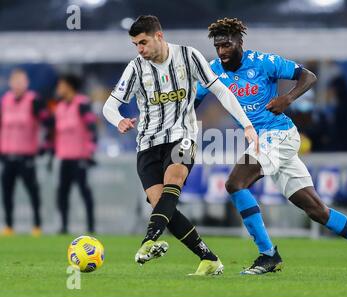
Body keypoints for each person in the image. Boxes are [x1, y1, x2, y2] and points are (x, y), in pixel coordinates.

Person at [195, 18, 347, 275]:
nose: (222, 51)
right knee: (317, 210)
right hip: (264, 141)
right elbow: (194, 101)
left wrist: (286, 98)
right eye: (218, 46)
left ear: (240, 42)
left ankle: (268, 254)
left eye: (227, 44)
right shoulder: (212, 70)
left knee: (235, 183)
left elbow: (308, 76)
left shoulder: (263, 62)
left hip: (277, 134)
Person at [102, 15, 259, 275]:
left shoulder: (189, 56)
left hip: (182, 136)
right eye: (135, 45)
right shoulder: (136, 68)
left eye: (143, 42)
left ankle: (148, 240)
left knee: (172, 183)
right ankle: (209, 258)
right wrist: (118, 121)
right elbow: (110, 106)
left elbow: (220, 90)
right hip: (148, 143)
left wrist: (247, 125)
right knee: (162, 205)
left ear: (159, 36)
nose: (140, 49)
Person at [0, 69, 48, 236]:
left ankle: (36, 225)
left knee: (32, 191)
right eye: (15, 81)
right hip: (7, 156)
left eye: (21, 81)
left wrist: (44, 145)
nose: (18, 85)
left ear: (26, 83)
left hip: (26, 155)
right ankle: (8, 226)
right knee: (6, 192)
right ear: (10, 83)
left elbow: (47, 122)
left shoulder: (33, 100)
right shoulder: (5, 100)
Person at [50, 74, 97, 234]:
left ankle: (91, 227)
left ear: (69, 86)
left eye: (61, 85)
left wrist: (90, 153)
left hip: (80, 158)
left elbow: (92, 129)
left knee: (84, 192)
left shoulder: (82, 104)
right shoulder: (59, 107)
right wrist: (51, 155)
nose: (59, 88)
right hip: (64, 158)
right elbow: (55, 134)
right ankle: (63, 227)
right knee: (62, 193)